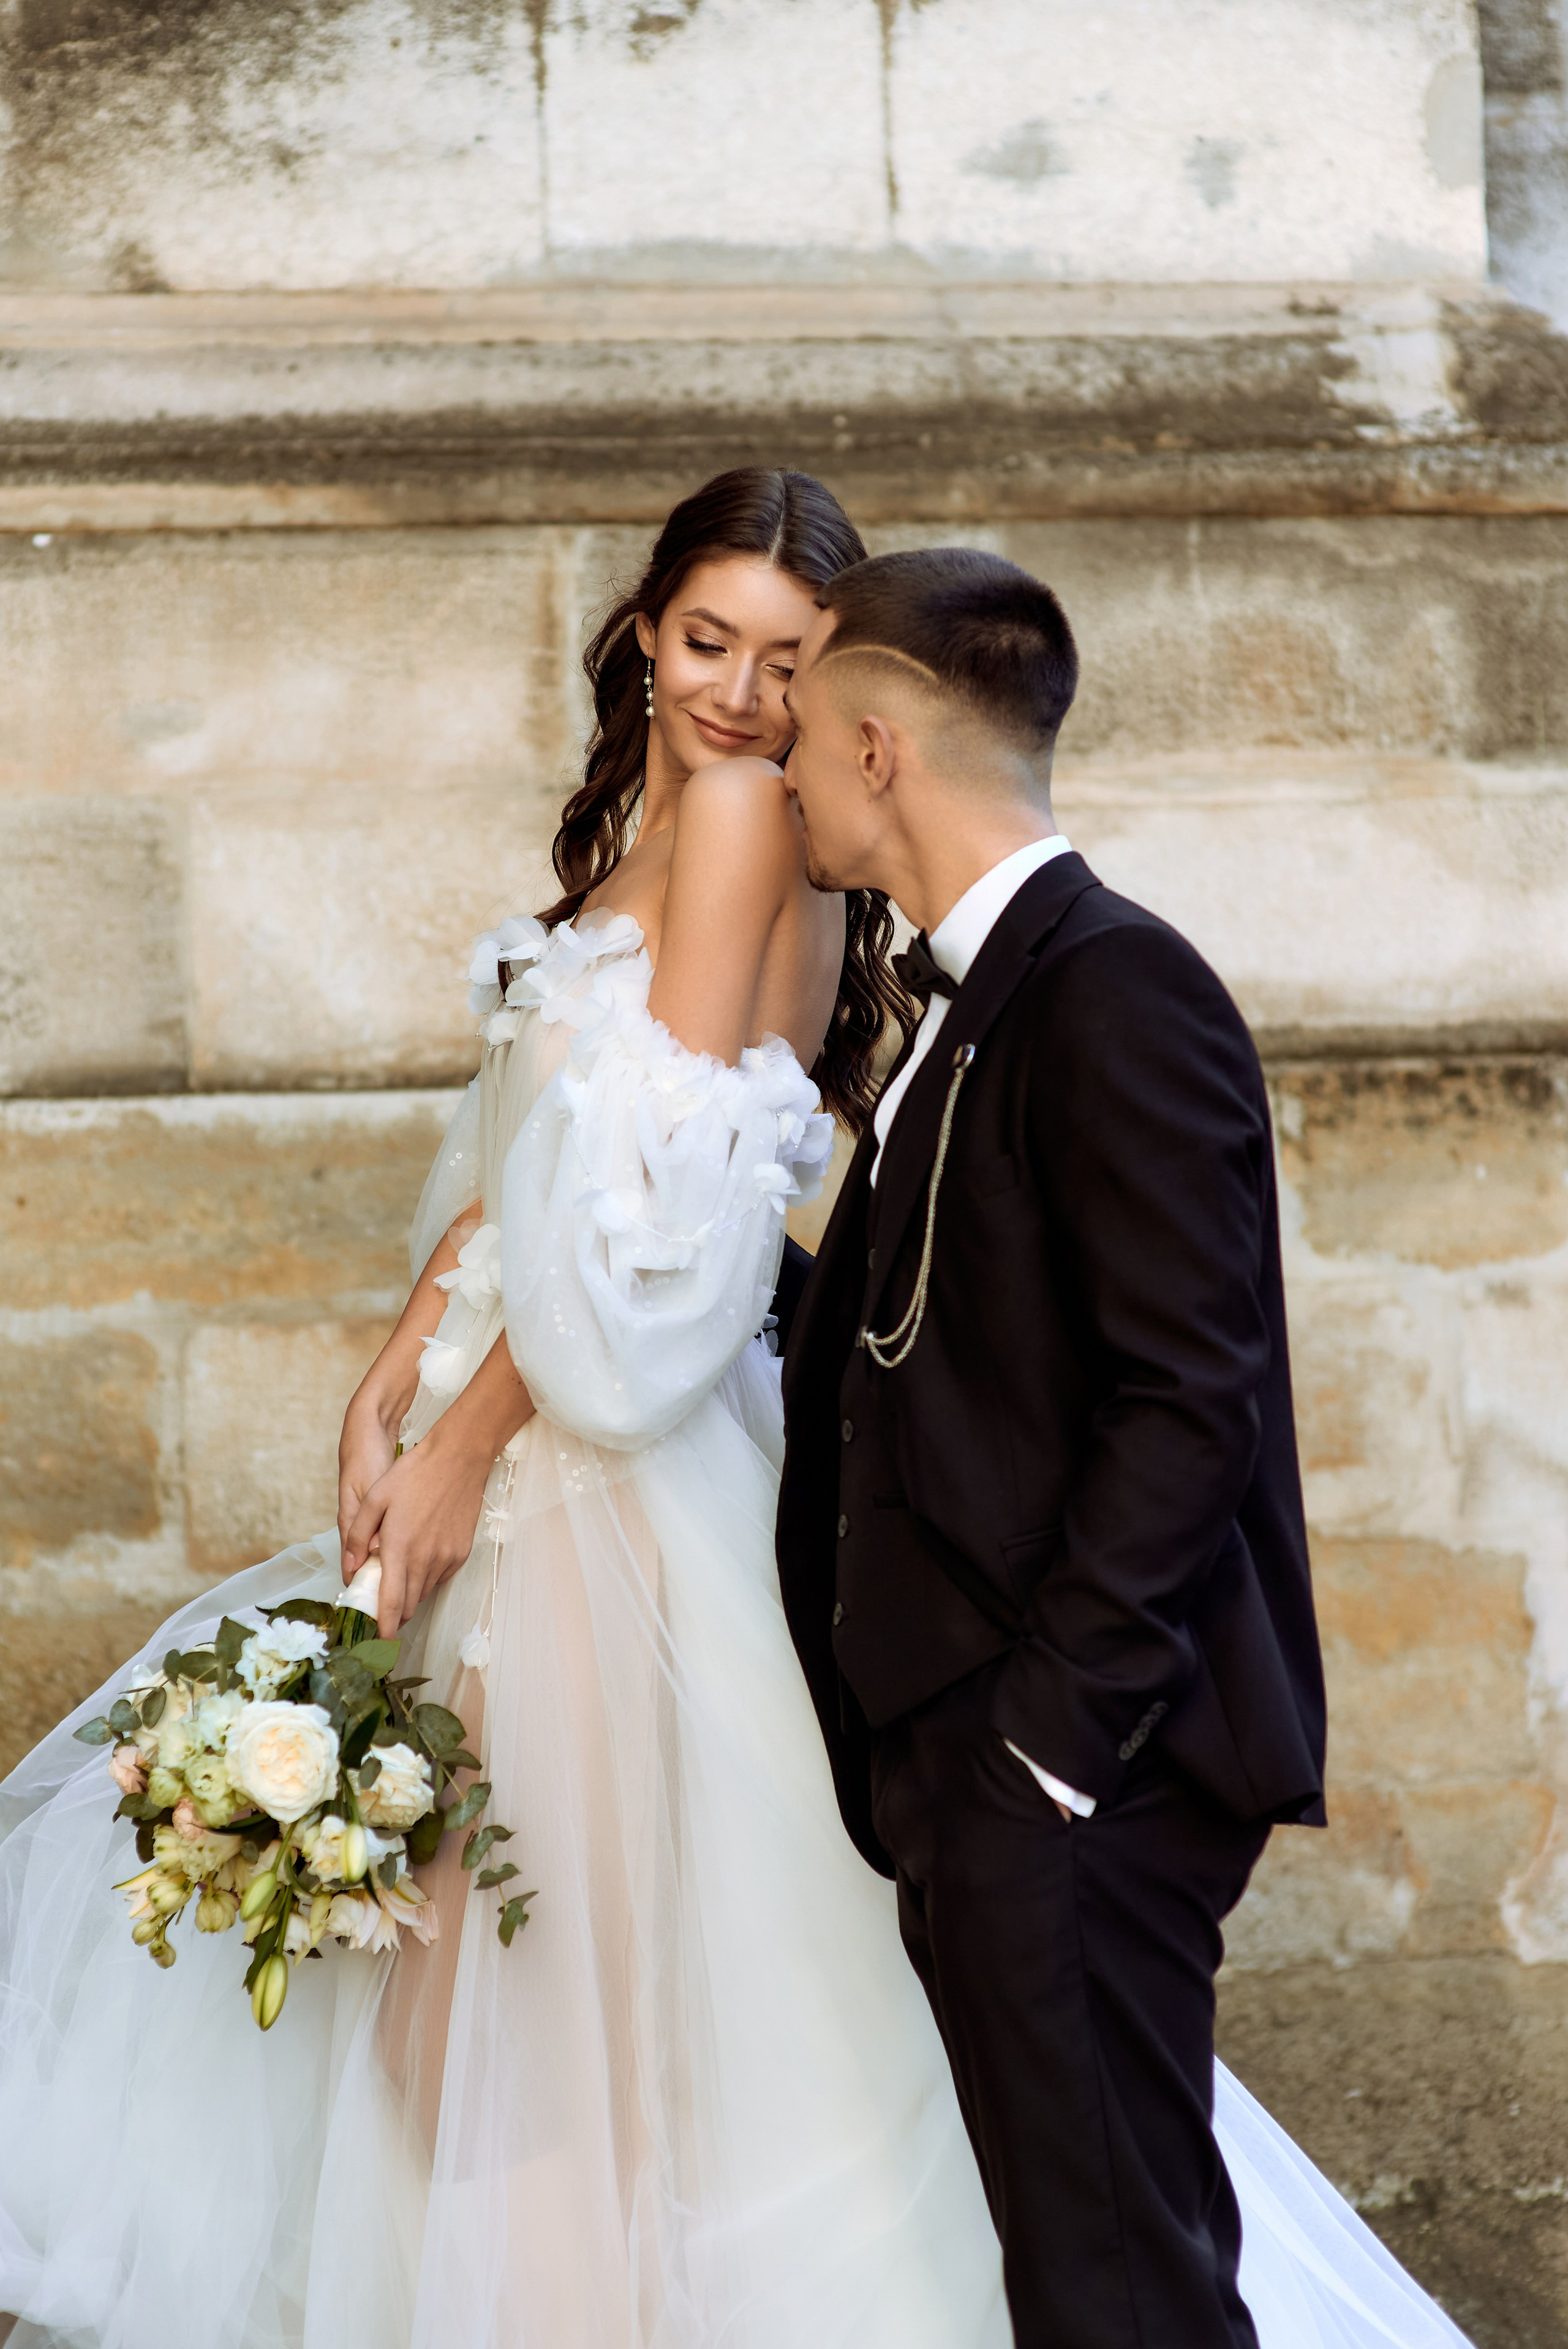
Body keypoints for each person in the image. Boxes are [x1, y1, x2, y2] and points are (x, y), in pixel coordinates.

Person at [0, 477, 1471, 2349]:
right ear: (642, 629)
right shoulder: (719, 832)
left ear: (861, 709)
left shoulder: (752, 829)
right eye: (710, 641)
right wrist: (408, 1347)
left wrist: (462, 1439)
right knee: (489, 2026)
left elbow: (654, 1240)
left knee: (535, 2037)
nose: (744, 697)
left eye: (790, 663)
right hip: (554, 1429)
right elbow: (544, 1167)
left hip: (599, 1489)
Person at [774, 545, 1477, 2349]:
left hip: (1079, 1775)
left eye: (800, 736)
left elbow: (1190, 1395)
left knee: (1121, 2295)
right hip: (982, 1767)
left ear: (876, 746)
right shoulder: (966, 1001)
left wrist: (1046, 1754)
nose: (781, 774)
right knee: (1084, 2280)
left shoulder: (1118, 989)